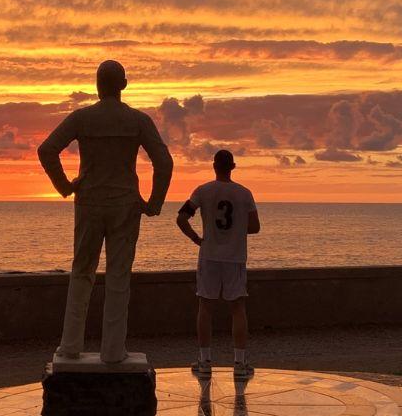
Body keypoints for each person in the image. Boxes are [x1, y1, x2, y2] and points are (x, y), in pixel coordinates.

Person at [38, 61, 173, 364]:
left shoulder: (82, 118)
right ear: (123, 85)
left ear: (97, 85)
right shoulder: (138, 120)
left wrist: (65, 186)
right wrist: (154, 203)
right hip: (125, 204)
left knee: (81, 272)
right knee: (118, 277)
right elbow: (164, 162)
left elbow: (46, 150)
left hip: (89, 203)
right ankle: (113, 350)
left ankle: (70, 346)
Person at [176, 149, 260, 379]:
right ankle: (240, 363)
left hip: (209, 256)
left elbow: (181, 218)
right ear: (233, 167)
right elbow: (255, 227)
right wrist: (236, 230)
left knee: (205, 307)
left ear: (214, 166)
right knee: (238, 308)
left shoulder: (202, 191)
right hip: (235, 257)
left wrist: (196, 239)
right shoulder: (244, 193)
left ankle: (204, 361)